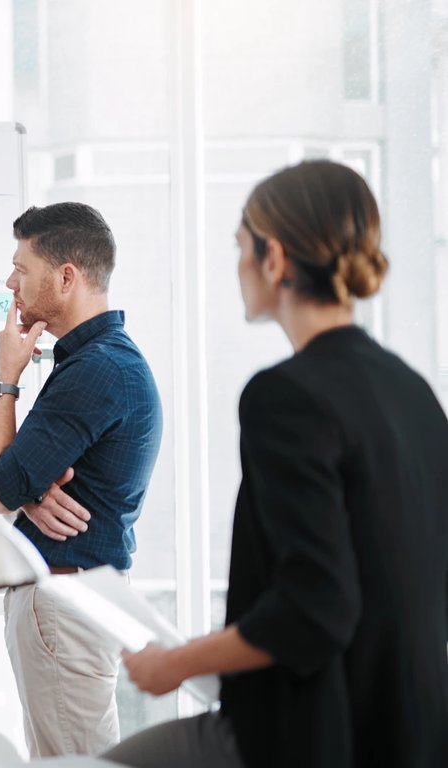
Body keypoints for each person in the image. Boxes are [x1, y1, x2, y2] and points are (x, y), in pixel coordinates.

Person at [103, 161, 448, 768]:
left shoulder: (285, 396)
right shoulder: (412, 392)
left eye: (240, 247)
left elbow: (315, 608)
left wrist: (173, 664)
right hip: (412, 735)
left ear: (275, 258)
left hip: (310, 737)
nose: (237, 267)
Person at [0, 202, 164, 756]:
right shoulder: (95, 361)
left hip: (67, 600)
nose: (11, 281)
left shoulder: (97, 370)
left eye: (22, 267)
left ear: (66, 277)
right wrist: (28, 493)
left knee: (75, 763)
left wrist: (6, 379)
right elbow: (15, 487)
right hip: (71, 598)